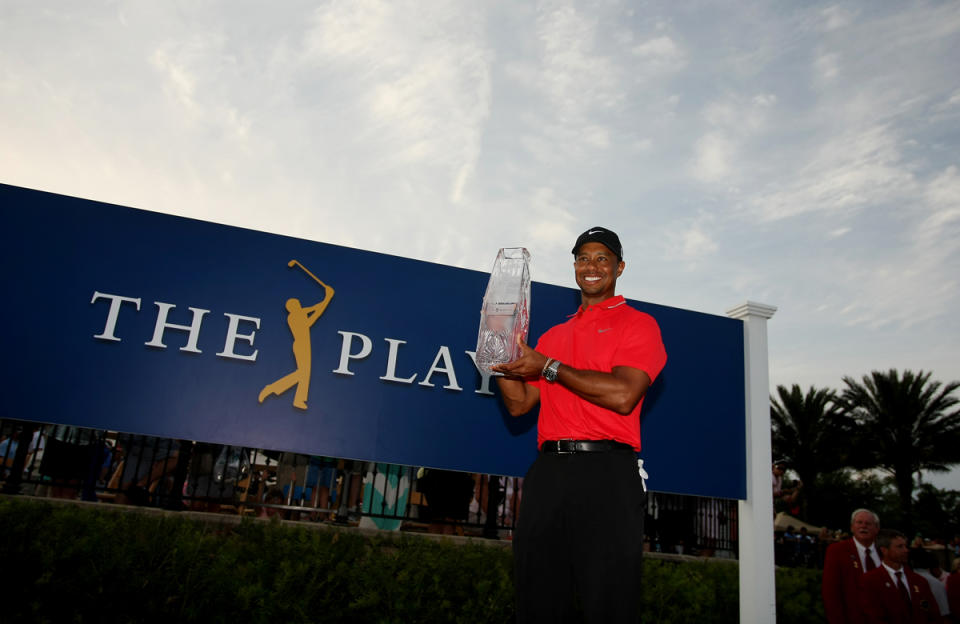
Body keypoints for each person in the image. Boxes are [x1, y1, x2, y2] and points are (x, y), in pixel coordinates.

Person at [492, 226, 667, 623]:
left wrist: (549, 367)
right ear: (574, 266)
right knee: (537, 596)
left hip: (606, 471)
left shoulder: (639, 325)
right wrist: (497, 355)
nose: (591, 266)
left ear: (619, 267)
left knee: (607, 600)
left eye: (602, 258)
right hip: (549, 471)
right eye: (583, 258)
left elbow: (624, 395)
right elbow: (520, 405)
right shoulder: (554, 334)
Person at [861, 529, 941, 624]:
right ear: (884, 550)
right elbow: (872, 617)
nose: (906, 550)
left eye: (905, 546)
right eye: (900, 547)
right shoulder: (870, 581)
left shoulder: (919, 580)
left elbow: (934, 615)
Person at [822, 508, 883, 624]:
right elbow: (830, 593)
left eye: (868, 523)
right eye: (859, 522)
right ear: (852, 527)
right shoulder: (837, 551)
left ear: (877, 529)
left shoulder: (885, 552)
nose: (863, 526)